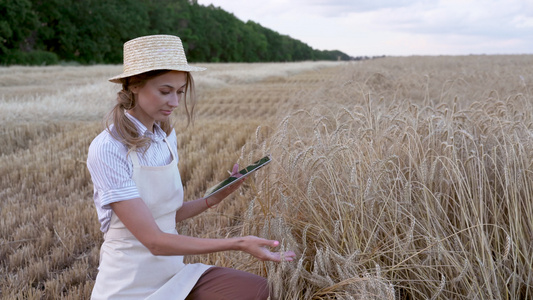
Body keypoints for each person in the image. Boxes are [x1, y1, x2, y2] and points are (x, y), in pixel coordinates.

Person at [87, 35, 295, 300]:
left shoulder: (164, 137)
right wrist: (239, 243)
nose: (174, 102)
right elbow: (154, 240)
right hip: (129, 284)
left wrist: (214, 198)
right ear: (135, 85)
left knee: (261, 291)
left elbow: (164, 215)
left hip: (175, 273)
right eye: (165, 91)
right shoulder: (109, 148)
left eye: (180, 91)